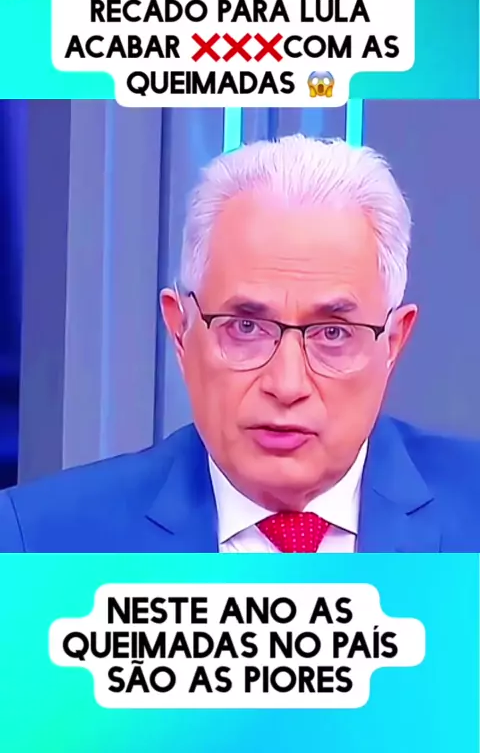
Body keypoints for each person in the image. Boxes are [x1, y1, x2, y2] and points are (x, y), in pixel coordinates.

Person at [1, 134, 480, 553]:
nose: (287, 386)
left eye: (333, 333)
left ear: (393, 342)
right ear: (181, 331)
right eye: (246, 328)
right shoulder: (39, 542)